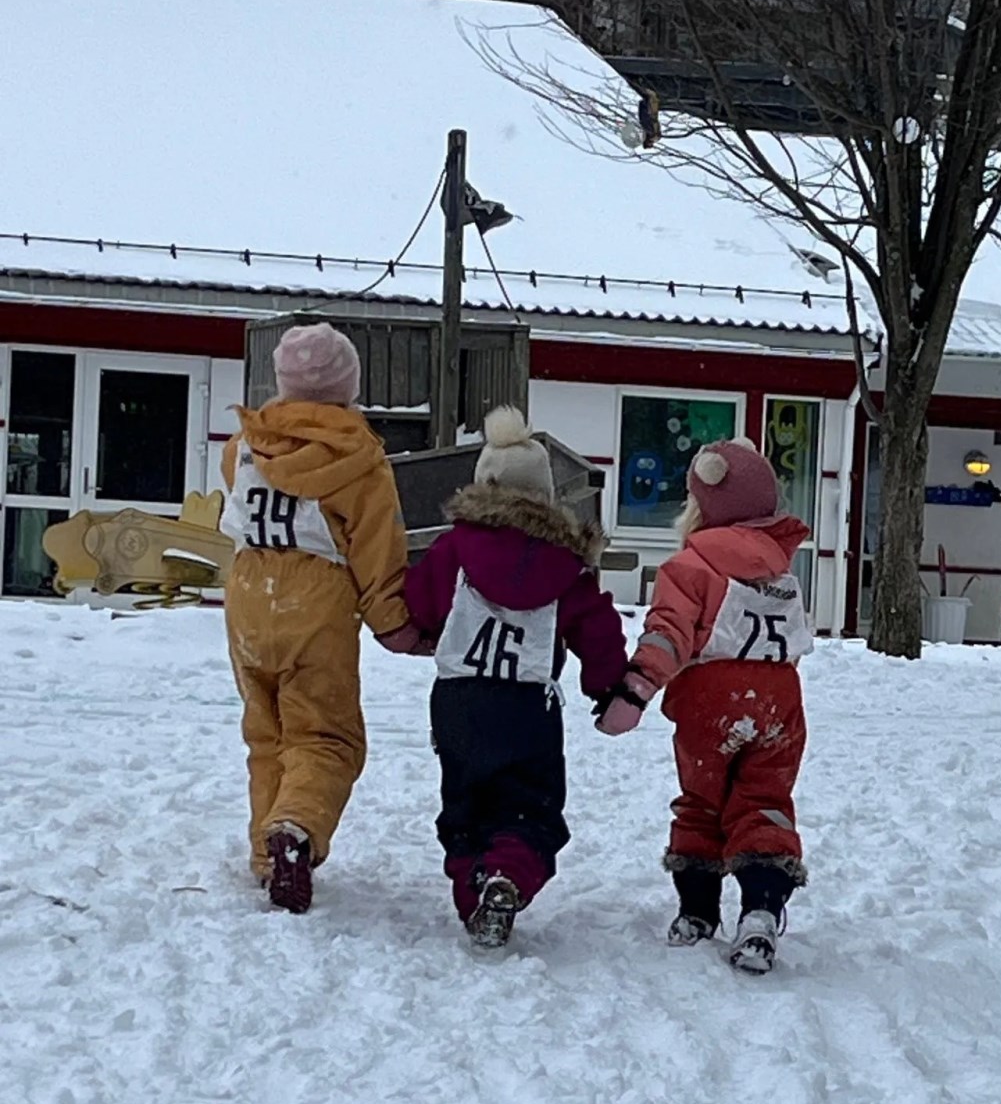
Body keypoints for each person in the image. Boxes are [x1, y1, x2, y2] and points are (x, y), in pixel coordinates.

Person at [405, 407, 629, 949]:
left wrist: (419, 632)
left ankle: (473, 891)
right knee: (531, 807)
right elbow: (597, 628)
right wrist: (608, 687)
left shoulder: (454, 549)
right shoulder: (565, 565)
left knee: (465, 806)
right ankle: (508, 872)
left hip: (459, 701)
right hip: (528, 709)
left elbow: (420, 602)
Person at [221, 323, 422, 914]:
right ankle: (296, 827)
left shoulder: (244, 445)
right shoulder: (359, 458)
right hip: (316, 602)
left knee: (266, 732)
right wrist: (392, 621)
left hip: (248, 594)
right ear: (348, 386)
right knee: (326, 737)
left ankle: (267, 853)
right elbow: (377, 547)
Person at [597, 436, 812, 975]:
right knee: (764, 801)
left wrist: (636, 689)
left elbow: (669, 635)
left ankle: (696, 911)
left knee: (702, 801)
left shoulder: (691, 566)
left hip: (710, 701)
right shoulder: (781, 569)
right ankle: (761, 911)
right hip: (780, 700)